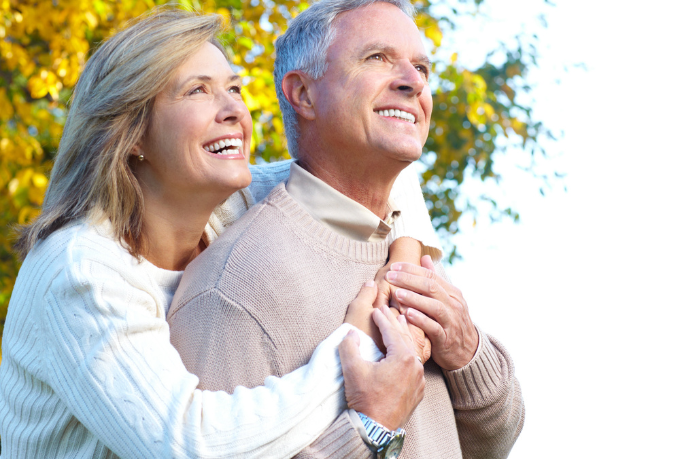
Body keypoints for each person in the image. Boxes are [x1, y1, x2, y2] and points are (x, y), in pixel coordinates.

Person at [0, 9, 438, 458]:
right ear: (131, 133)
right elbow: (189, 445)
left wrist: (400, 275)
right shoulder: (80, 269)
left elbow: (381, 165)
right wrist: (357, 349)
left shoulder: (229, 208)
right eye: (198, 91)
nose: (233, 110)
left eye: (233, 89)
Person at [167, 0, 525, 457]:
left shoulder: (412, 254)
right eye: (377, 58)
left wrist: (467, 352)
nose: (413, 82)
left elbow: (490, 445)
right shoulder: (233, 288)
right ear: (303, 95)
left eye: (421, 67)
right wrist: (371, 430)